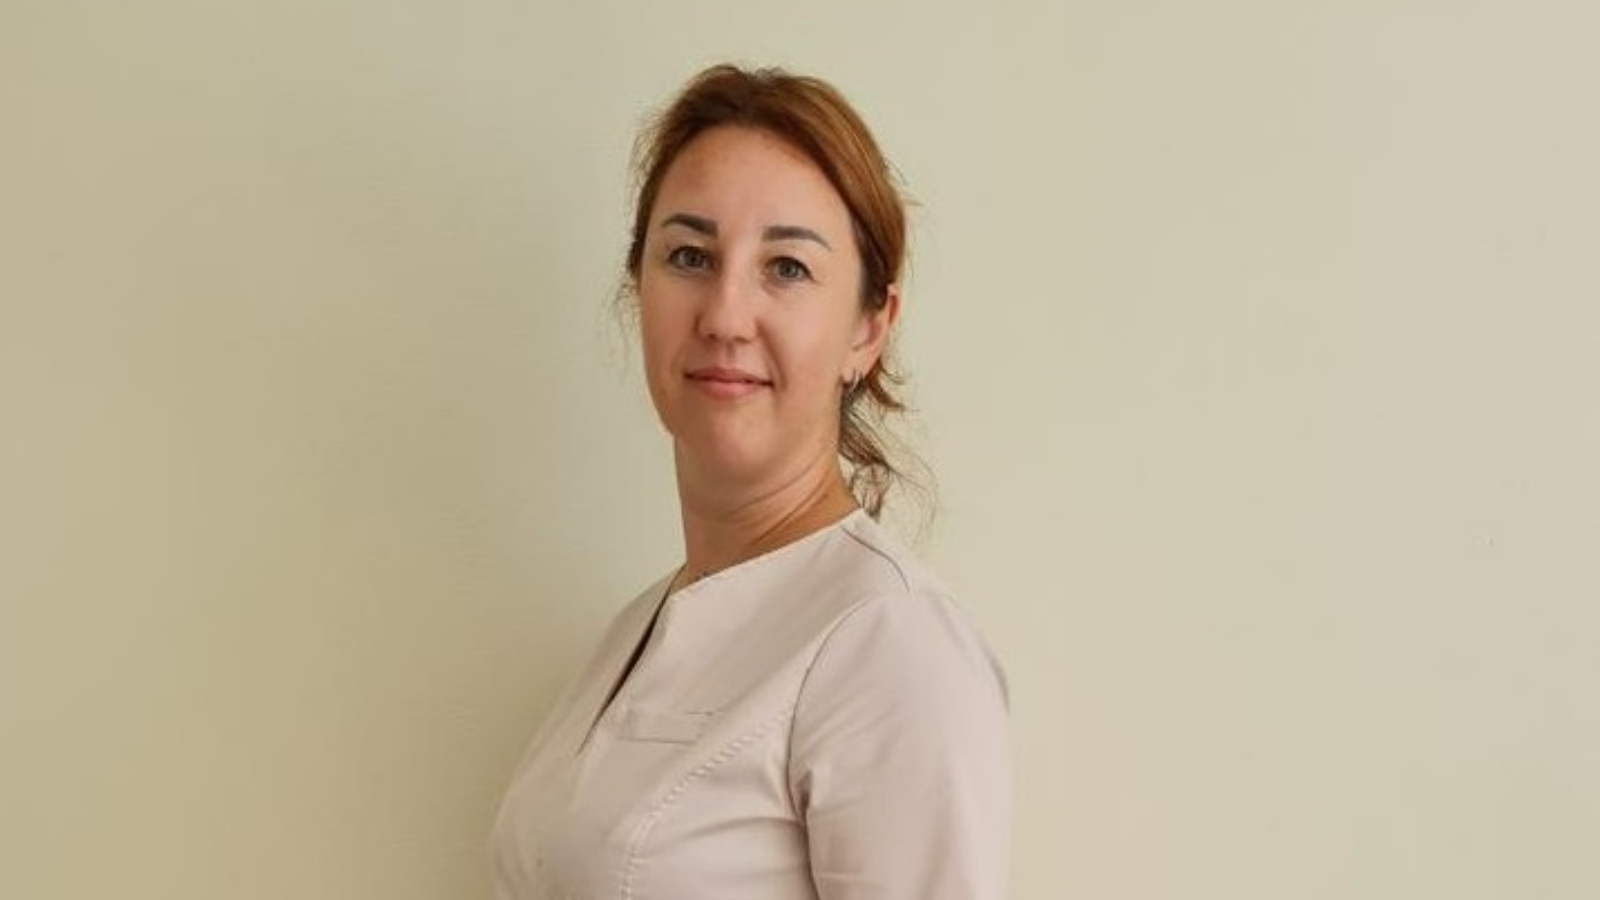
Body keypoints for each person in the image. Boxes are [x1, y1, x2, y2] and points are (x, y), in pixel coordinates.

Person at [490, 63, 1011, 900]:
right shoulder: (638, 630)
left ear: (868, 328)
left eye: (787, 267)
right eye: (690, 256)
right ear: (638, 288)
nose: (726, 316)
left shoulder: (891, 641)